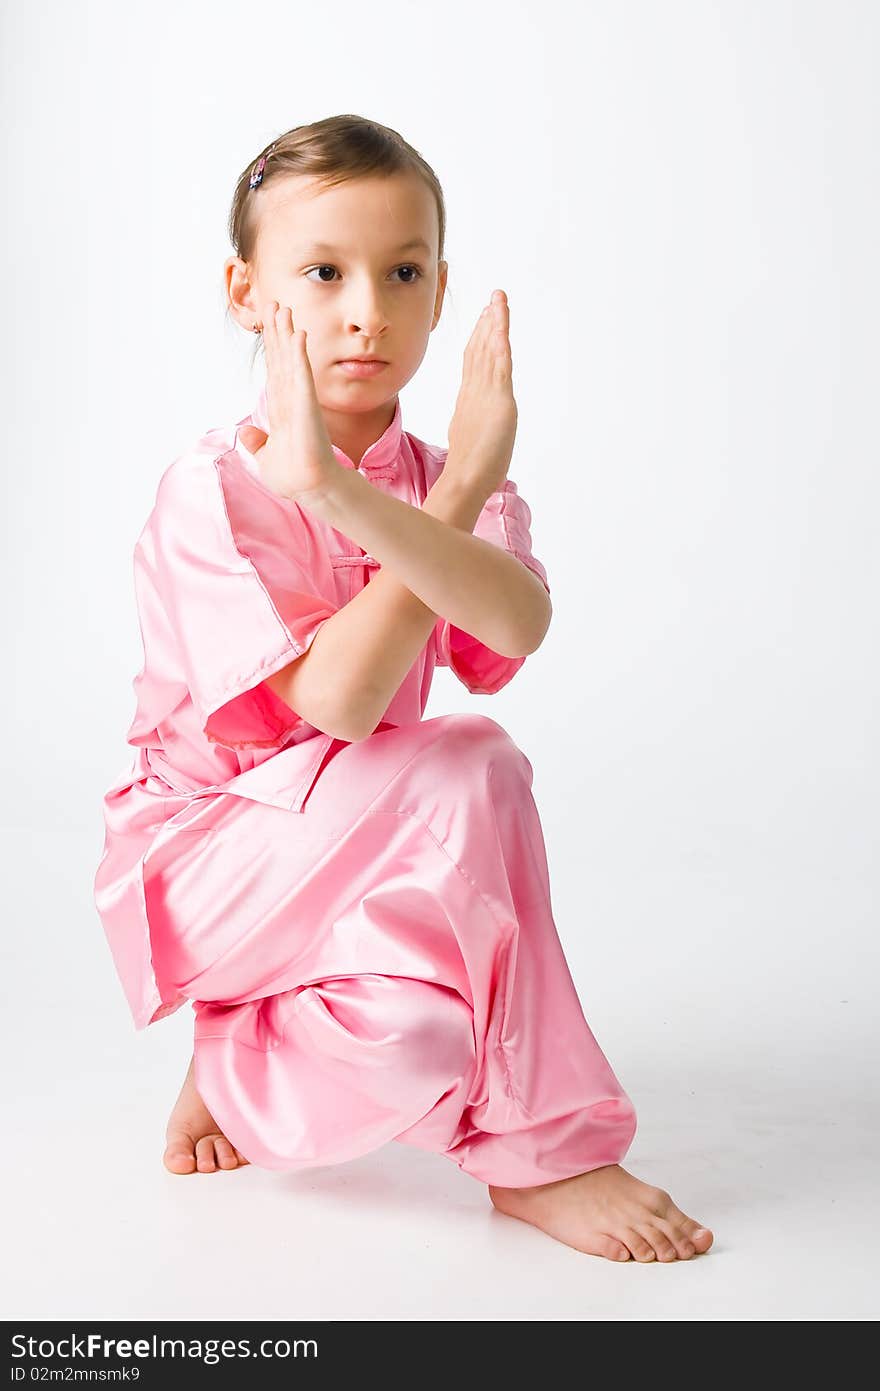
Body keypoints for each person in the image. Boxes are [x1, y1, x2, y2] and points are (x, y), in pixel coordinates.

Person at [93, 114, 714, 1264]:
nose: (366, 307)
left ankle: (238, 1065)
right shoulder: (208, 492)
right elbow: (335, 703)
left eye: (403, 271)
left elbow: (518, 620)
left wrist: (438, 484)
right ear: (247, 291)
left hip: (347, 867)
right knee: (471, 761)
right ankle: (543, 1152)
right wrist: (340, 497)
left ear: (440, 292)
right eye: (322, 272)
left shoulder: (445, 474)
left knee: (422, 1041)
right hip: (203, 872)